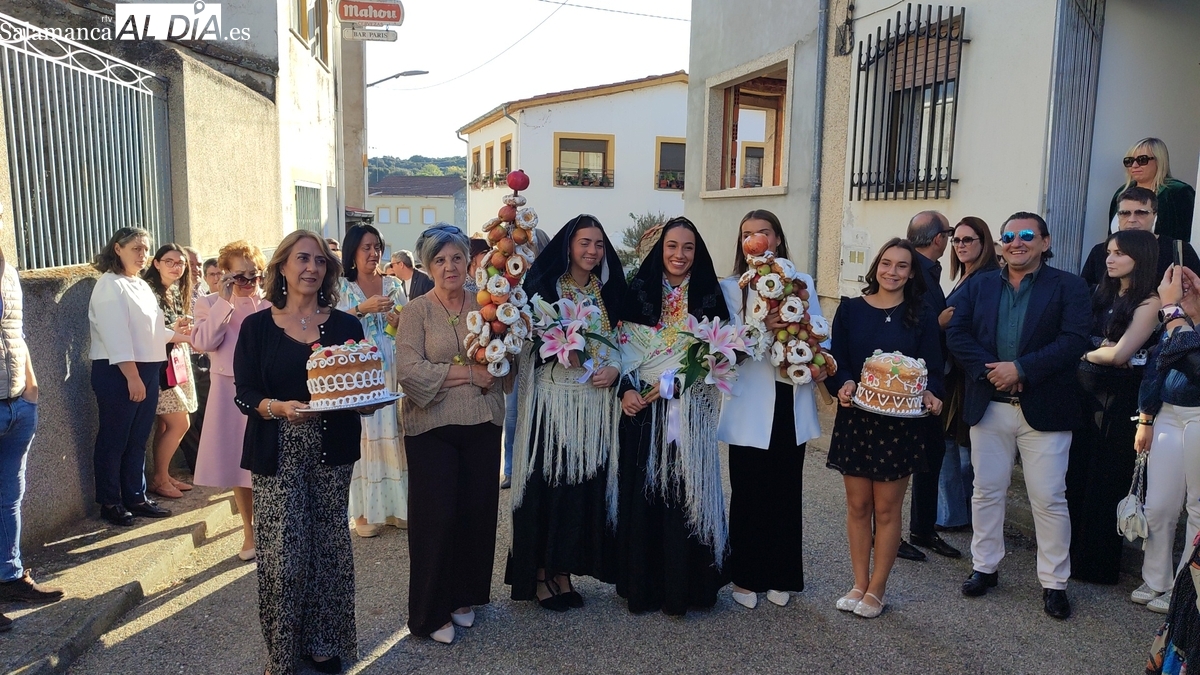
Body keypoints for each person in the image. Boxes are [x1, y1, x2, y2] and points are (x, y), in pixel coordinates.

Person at [234, 230, 369, 675]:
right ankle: (282, 654)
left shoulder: (347, 326)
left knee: (329, 546)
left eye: (320, 260)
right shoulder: (256, 326)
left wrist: (364, 400)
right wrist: (278, 408)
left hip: (333, 448)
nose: (312, 267)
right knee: (284, 555)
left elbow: (359, 385)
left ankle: (324, 644)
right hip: (278, 447)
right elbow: (245, 394)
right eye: (302, 259)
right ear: (283, 267)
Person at [946, 212, 1091, 620]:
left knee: (1048, 498)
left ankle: (1054, 583)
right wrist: (993, 370)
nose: (1016, 242)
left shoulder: (1070, 286)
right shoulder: (979, 285)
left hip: (1045, 408)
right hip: (988, 404)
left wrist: (1022, 369)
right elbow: (957, 334)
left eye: (1027, 235)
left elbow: (1074, 340)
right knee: (986, 491)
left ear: (1045, 242)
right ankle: (985, 567)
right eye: (1008, 236)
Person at [394, 224, 508, 644]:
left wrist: (487, 371)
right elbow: (409, 371)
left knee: (476, 513)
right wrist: (468, 374)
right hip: (432, 428)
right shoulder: (416, 312)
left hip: (482, 422)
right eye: (439, 260)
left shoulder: (489, 304)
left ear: (468, 261)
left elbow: (502, 363)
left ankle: (463, 595)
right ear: (427, 266)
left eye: (457, 257)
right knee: (434, 518)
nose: (449, 267)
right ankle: (430, 611)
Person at [505, 214, 625, 611]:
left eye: (599, 244)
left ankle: (564, 572)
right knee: (547, 487)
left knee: (578, 491)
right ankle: (540, 574)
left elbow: (618, 341)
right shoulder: (544, 288)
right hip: (551, 406)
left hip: (592, 406)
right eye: (585, 243)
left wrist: (615, 368)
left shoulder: (606, 292)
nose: (592, 251)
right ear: (569, 245)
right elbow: (526, 341)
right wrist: (554, 346)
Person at [615, 217, 731, 615]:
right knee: (645, 495)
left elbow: (723, 355)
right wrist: (626, 390)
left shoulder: (710, 298)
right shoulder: (638, 293)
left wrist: (691, 382)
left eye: (688, 248)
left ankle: (688, 588)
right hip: (645, 411)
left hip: (689, 411)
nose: (679, 255)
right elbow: (621, 352)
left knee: (687, 495)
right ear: (659, 250)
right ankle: (644, 587)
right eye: (672, 246)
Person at [825, 238, 943, 618]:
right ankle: (859, 582)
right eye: (887, 264)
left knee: (887, 509)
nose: (892, 272)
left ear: (912, 273)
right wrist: (841, 383)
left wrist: (931, 393)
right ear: (876, 266)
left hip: (900, 422)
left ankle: (878, 589)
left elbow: (933, 368)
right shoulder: (850, 310)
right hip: (857, 418)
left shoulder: (921, 314)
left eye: (902, 266)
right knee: (858, 505)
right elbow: (836, 359)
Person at [718, 210, 827, 610]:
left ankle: (781, 574)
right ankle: (746, 576)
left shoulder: (803, 282)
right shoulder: (733, 287)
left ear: (777, 239)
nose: (755, 239)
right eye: (747, 233)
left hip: (790, 397)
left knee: (784, 491)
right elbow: (727, 344)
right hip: (751, 402)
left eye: (763, 231)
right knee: (748, 491)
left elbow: (816, 331)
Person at [1065, 229, 1160, 586]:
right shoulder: (1101, 291)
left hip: (1119, 404)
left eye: (1119, 253)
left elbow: (1120, 353)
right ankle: (1068, 557)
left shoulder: (1148, 301)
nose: (1109, 259)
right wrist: (1097, 350)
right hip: (1086, 394)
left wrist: (1086, 353)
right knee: (1076, 476)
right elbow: (1088, 338)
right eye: (1109, 252)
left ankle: (1096, 566)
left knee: (1105, 481)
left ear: (1140, 257)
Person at [88, 228, 174, 526]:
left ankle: (135, 496)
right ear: (117, 249)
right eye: (136, 248)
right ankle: (111, 502)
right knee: (115, 438)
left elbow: (149, 331)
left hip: (146, 368)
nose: (143, 254)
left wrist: (182, 335)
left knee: (138, 437)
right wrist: (132, 377)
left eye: (146, 249)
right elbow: (116, 335)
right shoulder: (109, 285)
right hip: (120, 371)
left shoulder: (139, 284)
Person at [0, 223, 63, 631]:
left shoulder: (8, 268)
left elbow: (17, 333)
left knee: (9, 500)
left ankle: (9, 578)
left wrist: (32, 389)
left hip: (18, 402)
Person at [191, 240, 270, 562]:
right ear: (224, 275)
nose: (248, 283)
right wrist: (224, 302)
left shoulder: (271, 304)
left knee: (268, 462)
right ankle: (249, 532)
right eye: (240, 276)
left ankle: (270, 528)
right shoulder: (208, 303)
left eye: (254, 275)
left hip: (268, 391)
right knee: (241, 466)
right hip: (229, 392)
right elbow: (203, 342)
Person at [1142, 266, 1200, 674]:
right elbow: (1156, 367)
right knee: (1158, 504)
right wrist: (1145, 416)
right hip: (1168, 414)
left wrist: (1176, 311)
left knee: (1197, 507)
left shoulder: (1176, 315)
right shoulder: (1180, 316)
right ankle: (1155, 577)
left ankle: (1186, 592)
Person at [338, 224, 408, 538]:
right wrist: (360, 310)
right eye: (366, 247)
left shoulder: (393, 283)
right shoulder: (341, 287)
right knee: (365, 436)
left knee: (395, 430)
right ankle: (364, 513)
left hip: (392, 367)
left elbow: (409, 326)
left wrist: (399, 320)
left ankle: (397, 508)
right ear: (352, 251)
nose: (373, 253)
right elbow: (332, 326)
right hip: (359, 371)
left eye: (377, 246)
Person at [900, 211, 960, 562]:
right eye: (951, 234)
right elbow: (904, 326)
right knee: (899, 461)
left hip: (930, 380)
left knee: (930, 454)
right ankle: (893, 534)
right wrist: (937, 325)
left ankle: (923, 529)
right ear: (938, 238)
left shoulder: (929, 272)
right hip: (910, 382)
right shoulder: (913, 272)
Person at [936, 217, 1001, 531]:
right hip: (957, 375)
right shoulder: (967, 276)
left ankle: (958, 515)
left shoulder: (986, 278)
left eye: (968, 240)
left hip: (970, 376)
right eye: (956, 240)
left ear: (983, 242)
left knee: (961, 448)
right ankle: (954, 514)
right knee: (956, 445)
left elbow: (978, 327)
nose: (960, 245)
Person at [141, 244, 198, 499]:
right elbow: (152, 331)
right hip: (160, 364)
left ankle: (162, 476)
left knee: (166, 425)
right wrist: (180, 333)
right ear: (156, 263)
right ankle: (159, 478)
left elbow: (168, 326)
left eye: (181, 263)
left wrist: (179, 326)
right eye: (170, 262)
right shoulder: (148, 290)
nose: (177, 267)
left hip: (175, 357)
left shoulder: (173, 289)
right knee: (179, 422)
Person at [502, 228, 553, 489]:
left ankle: (533, 465)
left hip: (542, 355)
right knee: (512, 414)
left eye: (531, 248)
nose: (527, 253)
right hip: (515, 352)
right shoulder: (511, 279)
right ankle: (511, 468)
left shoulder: (550, 280)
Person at [1083, 187, 1200, 287]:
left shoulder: (1179, 250)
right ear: (1118, 216)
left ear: (1155, 215)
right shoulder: (1100, 252)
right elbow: (1084, 293)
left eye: (1141, 213)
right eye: (1125, 213)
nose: (1132, 220)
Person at [1108, 138, 1195, 242]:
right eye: (1129, 161)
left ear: (1159, 161)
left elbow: (1186, 237)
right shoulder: (1122, 191)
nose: (1134, 165)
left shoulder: (1177, 192)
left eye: (1142, 160)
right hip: (1121, 256)